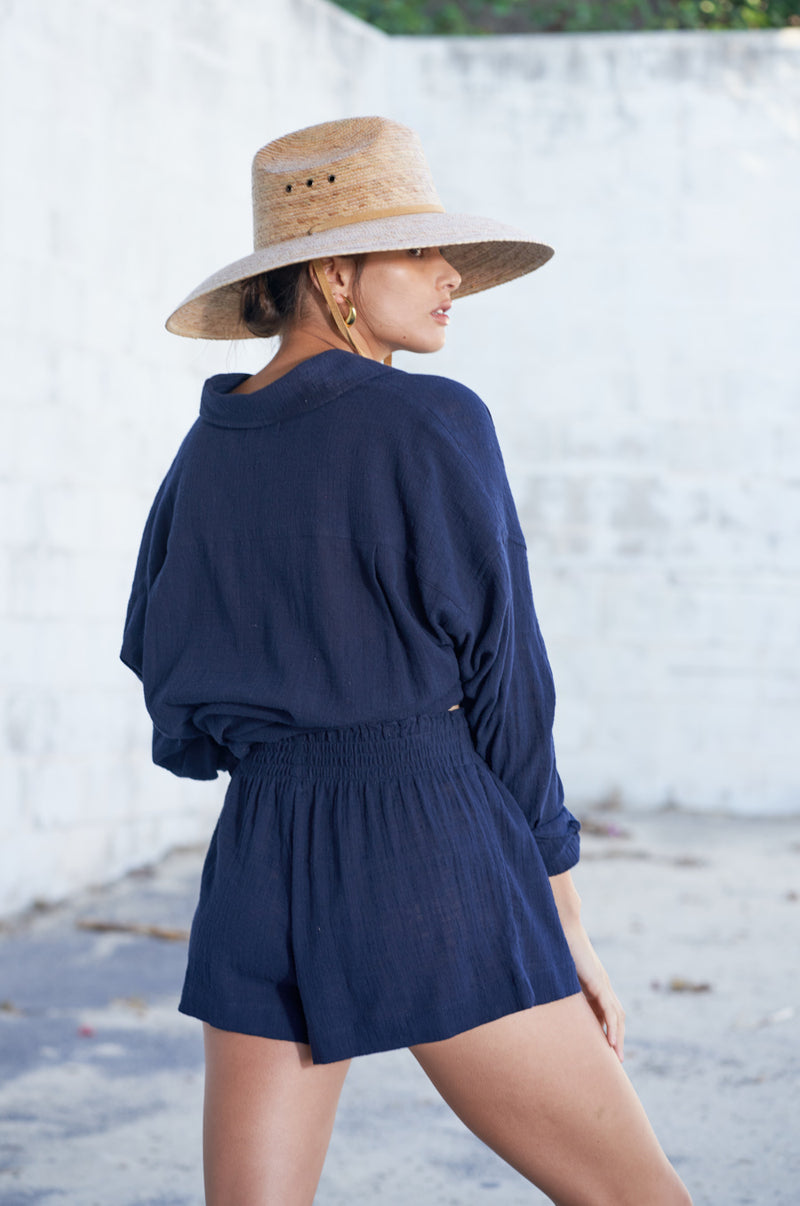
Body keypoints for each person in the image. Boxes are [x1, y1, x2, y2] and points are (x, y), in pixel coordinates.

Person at [121, 117, 692, 1206]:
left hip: (261, 852)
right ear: (335, 274)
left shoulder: (205, 451)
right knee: (636, 1199)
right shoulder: (431, 422)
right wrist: (560, 915)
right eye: (419, 253)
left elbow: (165, 679)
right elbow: (508, 682)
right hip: (423, 836)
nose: (448, 280)